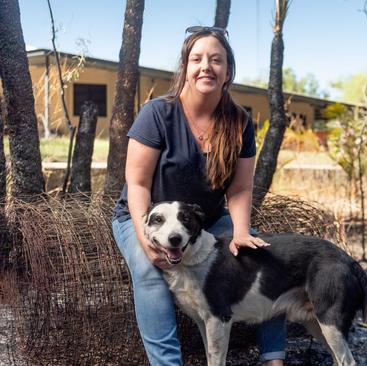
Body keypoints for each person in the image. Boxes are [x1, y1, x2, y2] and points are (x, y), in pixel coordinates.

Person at [111, 26, 286, 366]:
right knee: (150, 271)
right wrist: (144, 235)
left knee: (262, 257)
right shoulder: (157, 114)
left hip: (201, 222)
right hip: (146, 216)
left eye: (216, 60)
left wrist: (239, 232)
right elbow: (137, 184)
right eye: (197, 59)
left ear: (228, 71)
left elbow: (239, 188)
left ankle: (273, 358)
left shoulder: (239, 122)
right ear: (186, 69)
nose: (206, 66)